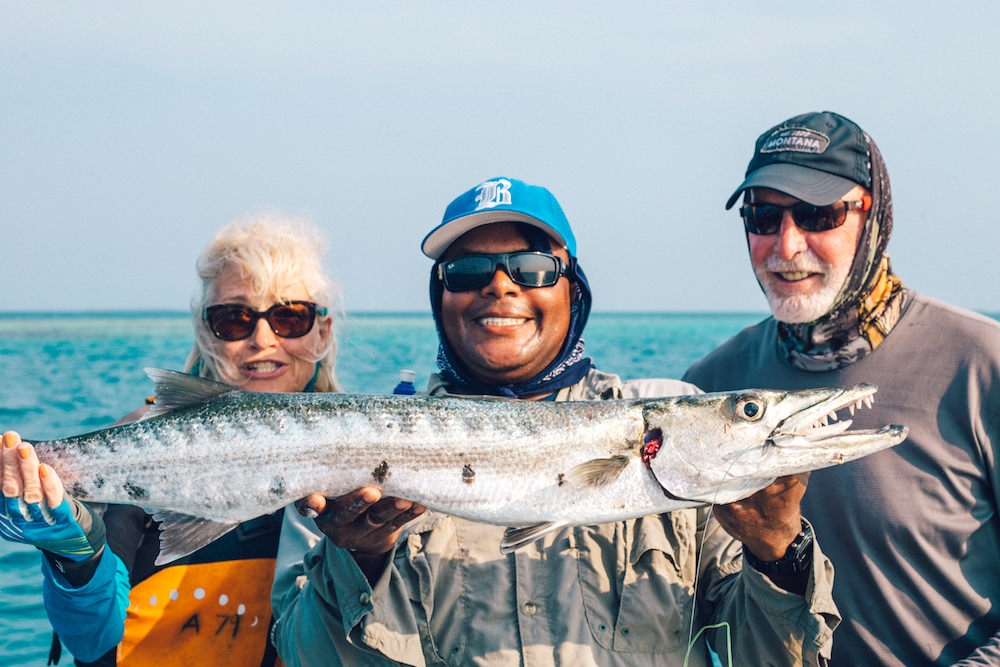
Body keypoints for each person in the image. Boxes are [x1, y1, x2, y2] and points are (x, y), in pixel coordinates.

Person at [269, 176, 840, 666]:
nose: (500, 286)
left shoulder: (672, 413)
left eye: (533, 268)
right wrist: (359, 560)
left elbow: (770, 656)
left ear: (574, 289)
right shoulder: (351, 453)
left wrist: (776, 554)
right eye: (467, 271)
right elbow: (301, 655)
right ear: (439, 296)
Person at [683, 111, 1000, 665]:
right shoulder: (710, 388)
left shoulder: (982, 365)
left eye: (817, 214)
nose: (787, 244)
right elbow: (701, 609)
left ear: (873, 217)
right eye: (762, 216)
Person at [0, 211, 341, 666]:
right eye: (234, 320)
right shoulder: (139, 443)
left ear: (323, 330)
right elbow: (92, 639)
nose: (263, 339)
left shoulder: (358, 459)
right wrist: (76, 555)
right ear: (206, 333)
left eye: (289, 317)